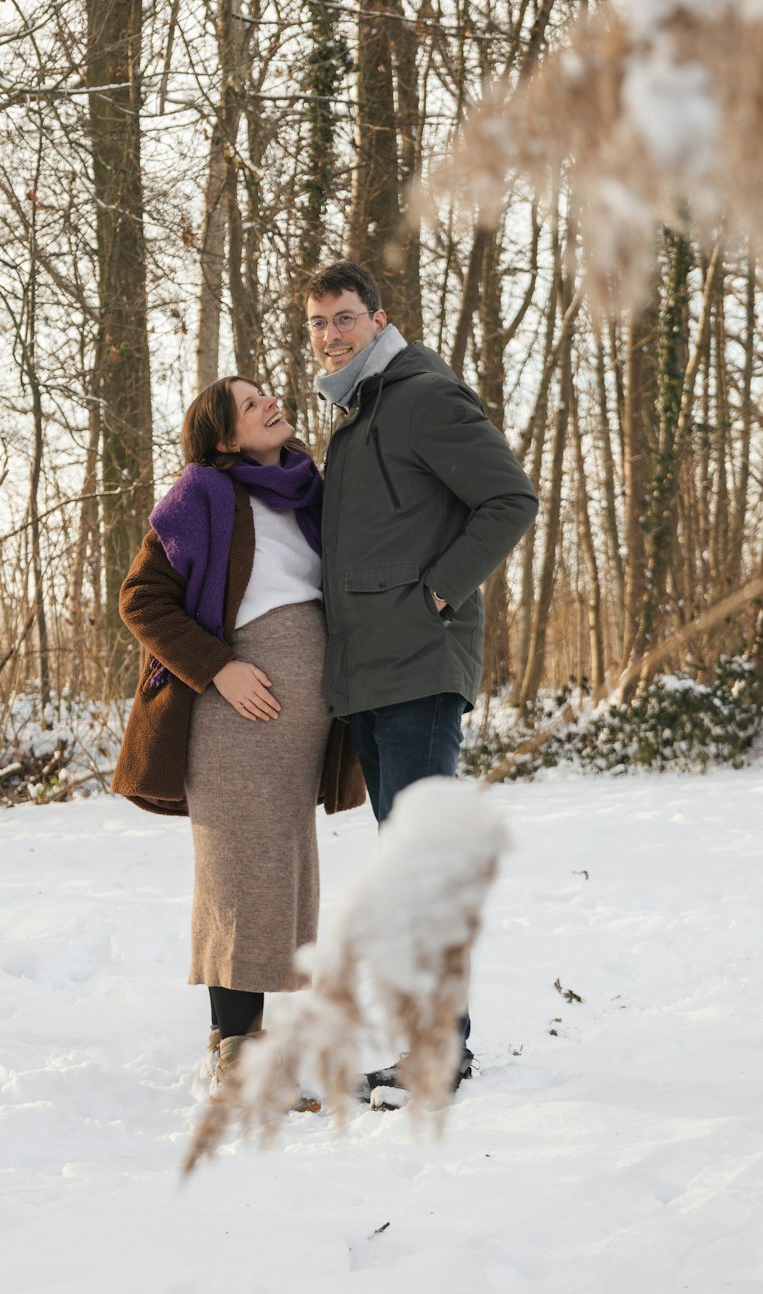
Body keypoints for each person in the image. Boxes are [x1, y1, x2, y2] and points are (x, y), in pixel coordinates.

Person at [304, 260, 539, 1102]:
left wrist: (438, 590)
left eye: (344, 318)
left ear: (378, 318)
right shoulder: (361, 411)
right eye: (319, 324)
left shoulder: (420, 395)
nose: (330, 334)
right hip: (371, 674)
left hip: (417, 667)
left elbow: (510, 499)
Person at [111, 376, 364, 1100]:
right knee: (238, 874)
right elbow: (141, 598)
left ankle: (239, 1044)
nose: (270, 404)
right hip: (234, 716)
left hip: (299, 724)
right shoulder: (203, 495)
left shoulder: (305, 489)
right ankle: (241, 1064)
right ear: (227, 438)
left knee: (280, 876)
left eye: (266, 396)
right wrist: (219, 668)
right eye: (251, 405)